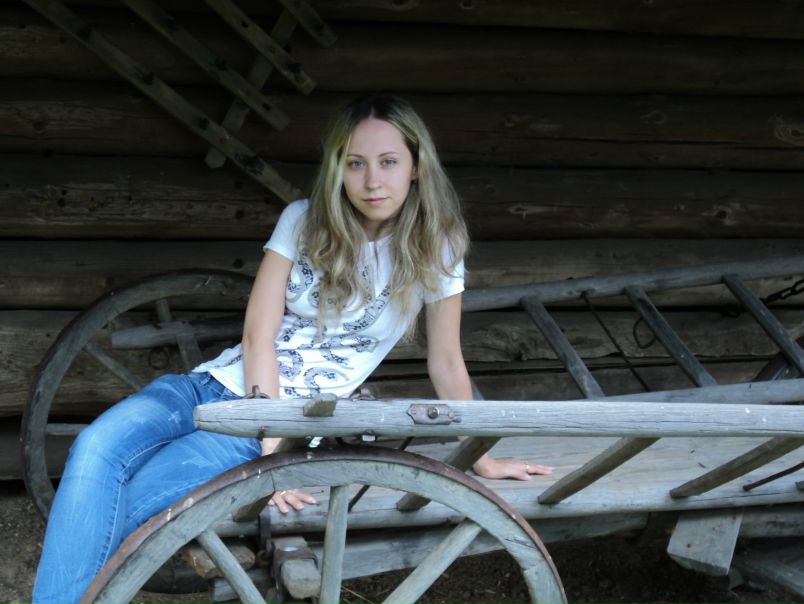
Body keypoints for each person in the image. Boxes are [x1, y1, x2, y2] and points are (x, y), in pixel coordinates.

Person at [32, 93, 552, 604]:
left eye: (389, 162)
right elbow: (257, 335)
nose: (373, 180)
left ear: (416, 167)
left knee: (128, 507)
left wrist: (480, 456)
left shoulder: (436, 245)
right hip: (205, 386)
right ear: (338, 169)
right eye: (356, 163)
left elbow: (447, 360)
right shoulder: (303, 221)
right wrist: (272, 452)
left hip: (266, 425)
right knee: (94, 447)